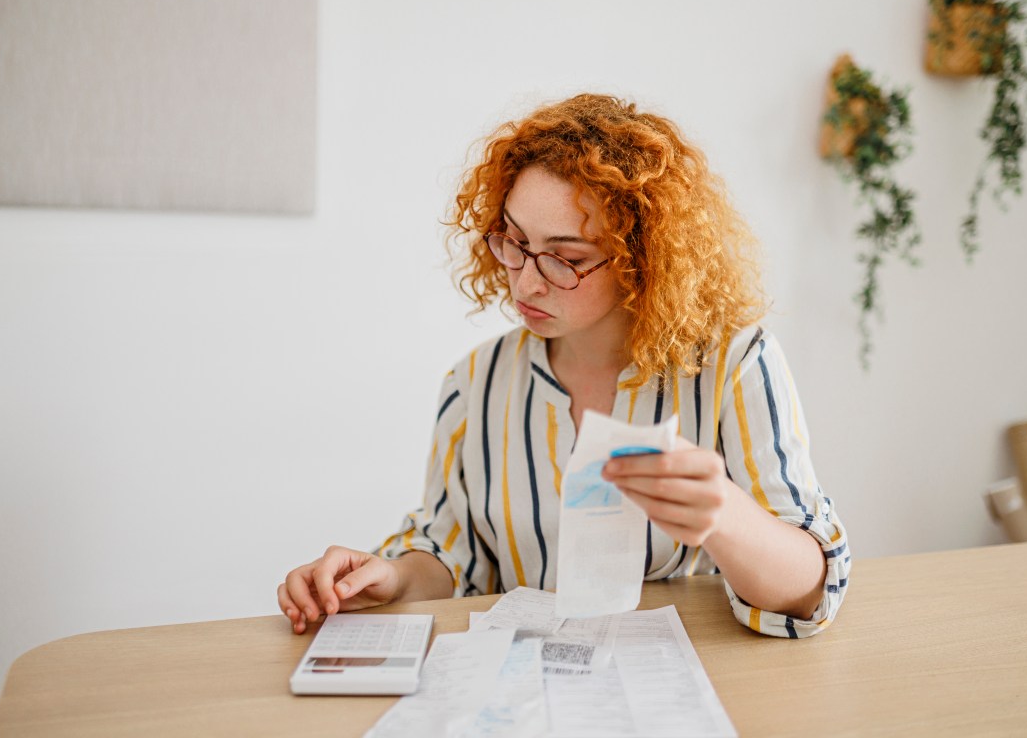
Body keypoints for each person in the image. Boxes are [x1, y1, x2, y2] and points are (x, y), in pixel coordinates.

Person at [278, 93, 849, 638]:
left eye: (565, 258)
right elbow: (453, 553)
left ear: (641, 260)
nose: (525, 281)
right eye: (515, 242)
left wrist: (724, 514)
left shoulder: (735, 365)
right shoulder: (474, 384)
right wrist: (392, 577)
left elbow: (811, 591)